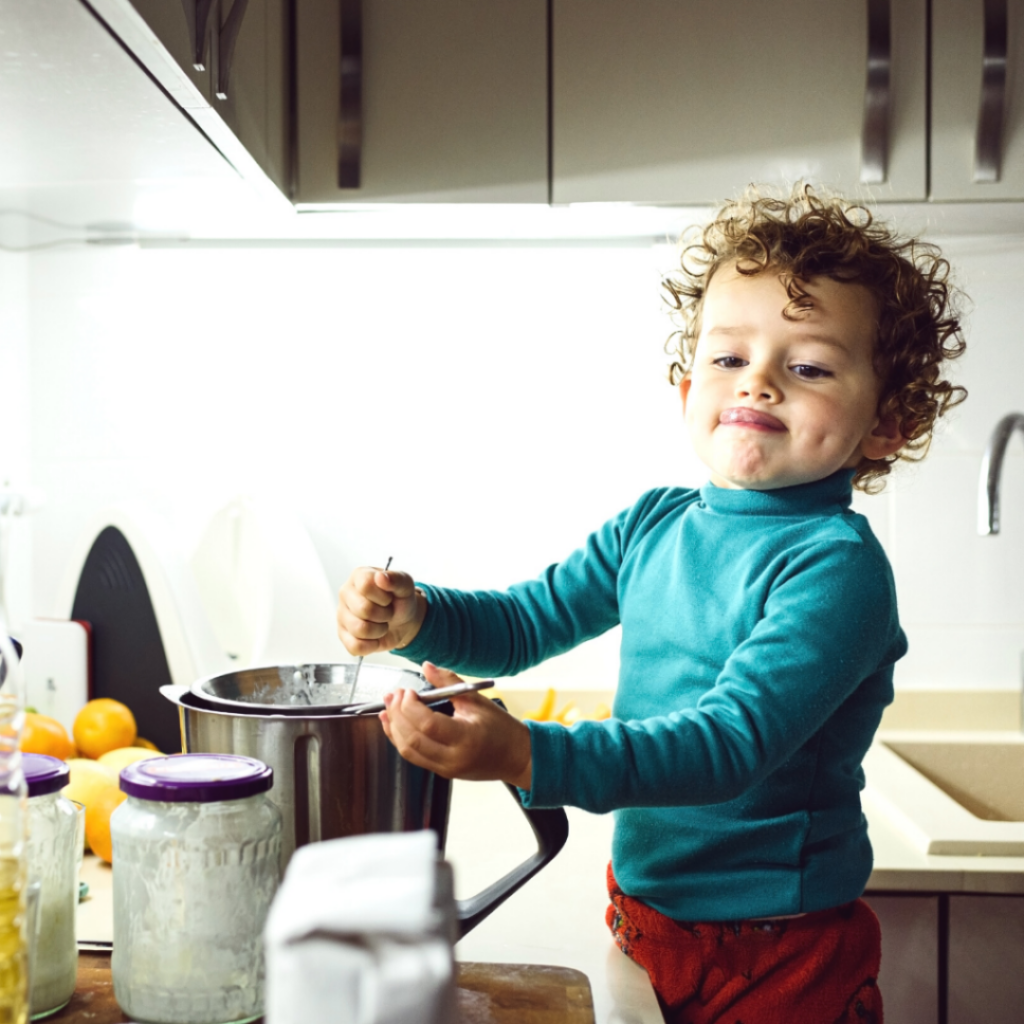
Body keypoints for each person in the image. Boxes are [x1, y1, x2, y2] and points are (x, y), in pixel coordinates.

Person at [336, 185, 967, 1024]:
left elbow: (727, 747)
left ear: (886, 424)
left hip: (782, 953)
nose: (761, 382)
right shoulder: (653, 526)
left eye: (808, 365)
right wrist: (418, 618)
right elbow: (525, 624)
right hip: (647, 920)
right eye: (729, 357)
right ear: (685, 390)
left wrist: (530, 755)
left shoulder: (836, 570)